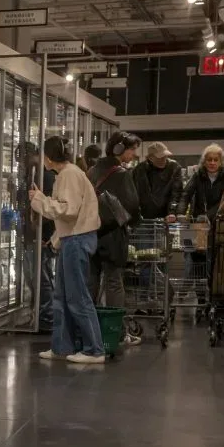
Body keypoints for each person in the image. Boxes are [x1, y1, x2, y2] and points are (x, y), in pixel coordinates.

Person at [30, 136, 106, 364]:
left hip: (76, 240)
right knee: (62, 295)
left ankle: (94, 349)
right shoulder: (69, 173)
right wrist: (56, 239)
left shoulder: (69, 175)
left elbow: (68, 210)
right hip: (72, 239)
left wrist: (39, 201)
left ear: (48, 156)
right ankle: (62, 346)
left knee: (77, 296)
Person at [87, 131, 142, 345]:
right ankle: (115, 332)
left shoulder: (91, 170)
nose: (133, 155)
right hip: (112, 236)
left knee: (91, 283)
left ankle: (89, 331)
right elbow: (132, 206)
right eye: (131, 150)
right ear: (119, 149)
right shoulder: (122, 173)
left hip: (91, 233)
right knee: (114, 283)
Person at [19, 141, 56, 332]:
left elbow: (51, 208)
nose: (23, 162)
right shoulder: (31, 175)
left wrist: (45, 234)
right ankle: (39, 316)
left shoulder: (45, 176)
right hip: (32, 234)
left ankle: (46, 317)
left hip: (41, 235)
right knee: (35, 277)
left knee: (41, 277)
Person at [181, 143, 224, 220]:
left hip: (219, 221)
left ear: (220, 162)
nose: (212, 163)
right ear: (204, 162)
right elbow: (185, 195)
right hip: (198, 220)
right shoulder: (197, 176)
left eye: (216, 160)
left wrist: (208, 215)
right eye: (209, 159)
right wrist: (180, 213)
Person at [132, 141, 184, 221]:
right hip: (145, 217)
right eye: (160, 157)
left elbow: (176, 193)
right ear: (150, 158)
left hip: (167, 216)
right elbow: (136, 194)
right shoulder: (140, 170)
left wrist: (172, 212)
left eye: (165, 156)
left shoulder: (174, 167)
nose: (164, 159)